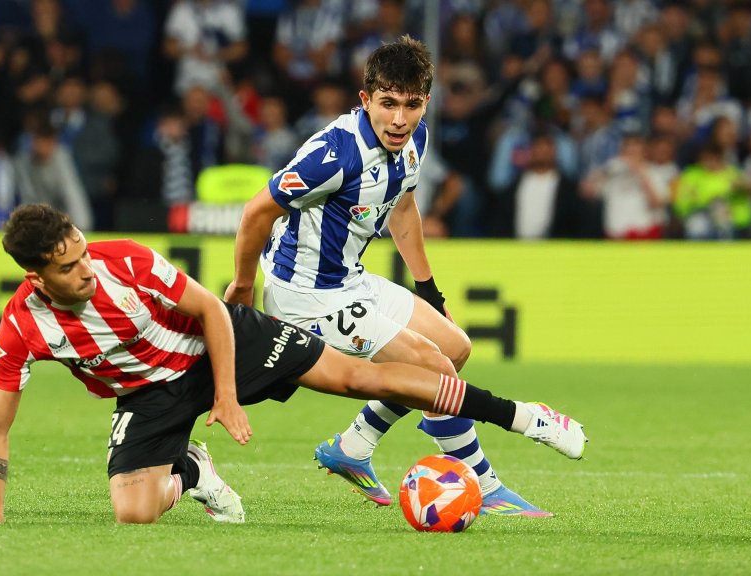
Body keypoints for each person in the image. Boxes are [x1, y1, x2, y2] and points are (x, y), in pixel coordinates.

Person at [0, 204, 587, 525]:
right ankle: (192, 470)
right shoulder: (24, 326)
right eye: (70, 266)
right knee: (133, 513)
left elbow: (213, 310)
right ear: (37, 277)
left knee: (361, 377)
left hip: (225, 344)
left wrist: (226, 395)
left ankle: (524, 417)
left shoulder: (125, 260)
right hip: (149, 394)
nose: (87, 268)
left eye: (83, 252)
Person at [224, 36, 551, 516]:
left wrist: (429, 291)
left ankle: (354, 446)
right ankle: (483, 486)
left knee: (455, 349)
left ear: (426, 102)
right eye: (388, 104)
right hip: (306, 294)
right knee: (433, 367)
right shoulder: (334, 154)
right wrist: (243, 284)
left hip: (350, 280)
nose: (399, 118)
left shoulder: (415, 138)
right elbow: (257, 211)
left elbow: (403, 209)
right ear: (365, 100)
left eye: (411, 105)